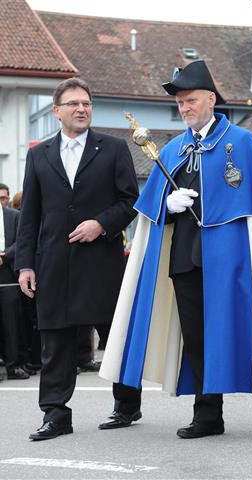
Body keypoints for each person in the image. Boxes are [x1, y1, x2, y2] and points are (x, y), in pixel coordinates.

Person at [99, 60, 252, 438]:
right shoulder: (172, 149)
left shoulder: (241, 142)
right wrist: (166, 206)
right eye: (180, 103)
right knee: (198, 337)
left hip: (235, 259)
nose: (185, 108)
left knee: (247, 327)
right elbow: (150, 208)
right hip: (187, 259)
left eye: (190, 100)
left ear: (210, 99)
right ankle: (208, 415)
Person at [15, 77, 139, 441]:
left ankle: (127, 403)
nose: (82, 108)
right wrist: (25, 264)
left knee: (114, 336)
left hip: (101, 263)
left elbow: (131, 200)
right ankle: (55, 414)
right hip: (53, 264)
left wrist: (100, 223)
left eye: (86, 103)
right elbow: (30, 216)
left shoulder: (114, 148)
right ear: (57, 111)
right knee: (55, 341)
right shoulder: (39, 155)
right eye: (73, 104)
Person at [0, 196, 29, 379]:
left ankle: (13, 365)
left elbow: (22, 241)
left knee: (11, 322)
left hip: (8, 272)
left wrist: (4, 256)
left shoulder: (13, 216)